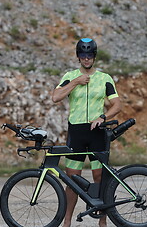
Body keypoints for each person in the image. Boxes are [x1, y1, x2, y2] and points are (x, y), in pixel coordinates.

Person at [52, 38, 122, 227]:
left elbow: (117, 105)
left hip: (97, 132)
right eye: (82, 55)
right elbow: (56, 97)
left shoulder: (105, 78)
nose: (86, 58)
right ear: (78, 56)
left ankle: (102, 221)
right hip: (77, 132)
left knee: (100, 178)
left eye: (89, 54)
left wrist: (103, 118)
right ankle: (67, 222)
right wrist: (76, 81)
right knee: (73, 180)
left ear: (94, 56)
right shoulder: (70, 76)